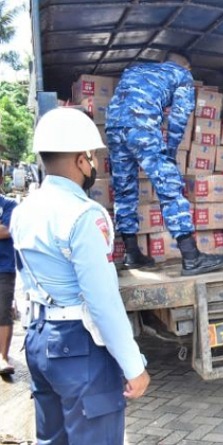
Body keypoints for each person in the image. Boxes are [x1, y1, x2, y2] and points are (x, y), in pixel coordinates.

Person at [10, 108, 150, 444]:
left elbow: (25, 279)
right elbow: (102, 301)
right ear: (80, 160)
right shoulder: (84, 215)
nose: (95, 164)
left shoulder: (23, 210)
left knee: (52, 439)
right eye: (93, 156)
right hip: (79, 346)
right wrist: (134, 366)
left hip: (39, 339)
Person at [106, 52, 223, 276]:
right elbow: (178, 118)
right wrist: (171, 153)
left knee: (124, 189)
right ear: (187, 67)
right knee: (169, 186)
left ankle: (132, 254)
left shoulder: (135, 70)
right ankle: (191, 257)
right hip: (141, 125)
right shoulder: (182, 75)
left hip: (113, 127)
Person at [0, 194, 17, 376]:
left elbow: (6, 230)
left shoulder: (9, 204)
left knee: (3, 311)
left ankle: (2, 357)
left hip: (4, 268)